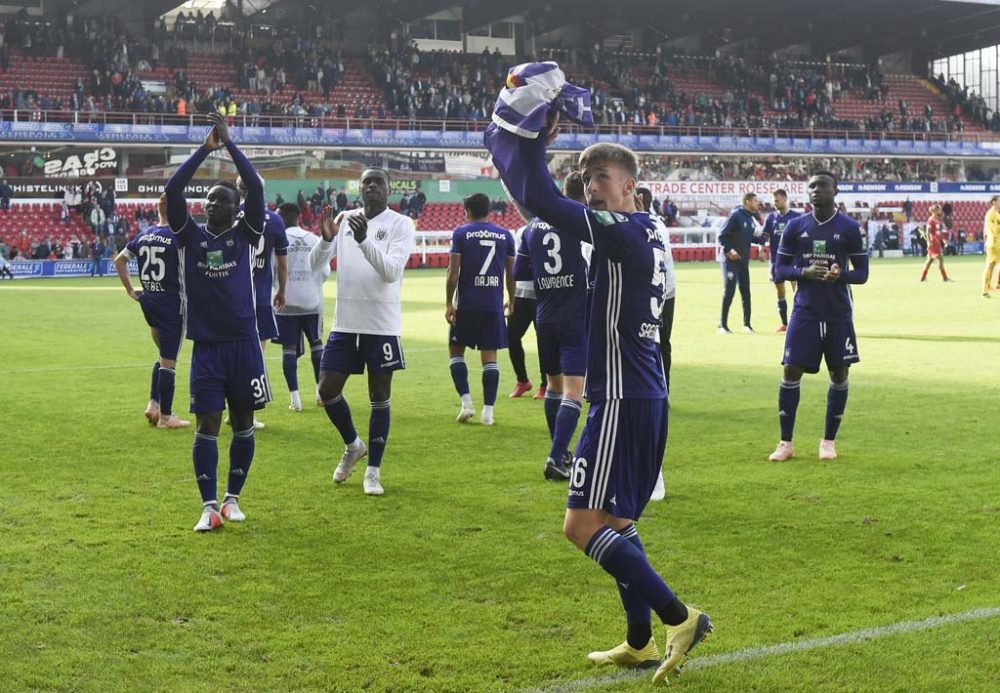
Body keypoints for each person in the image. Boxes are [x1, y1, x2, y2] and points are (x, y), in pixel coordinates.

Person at [486, 109, 711, 685]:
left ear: (630, 184)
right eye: (588, 180)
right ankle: (639, 642)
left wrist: (531, 140)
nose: (592, 188)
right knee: (617, 518)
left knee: (580, 526)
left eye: (602, 177)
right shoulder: (652, 229)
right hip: (643, 391)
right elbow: (541, 202)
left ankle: (679, 618)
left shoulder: (621, 231)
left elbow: (538, 196)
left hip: (621, 397)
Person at [165, 112, 270, 532]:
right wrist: (205, 149)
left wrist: (230, 145)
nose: (212, 204)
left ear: (235, 208)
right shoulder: (190, 237)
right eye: (208, 199)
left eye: (221, 199)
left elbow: (257, 186)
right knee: (208, 423)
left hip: (244, 343)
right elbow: (174, 189)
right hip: (207, 346)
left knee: (243, 422)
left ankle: (232, 499)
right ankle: (208, 507)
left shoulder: (246, 234)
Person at [317, 168, 415, 496]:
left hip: (382, 326)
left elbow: (390, 273)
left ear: (389, 189)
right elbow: (318, 265)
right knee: (326, 390)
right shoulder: (344, 218)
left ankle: (373, 472)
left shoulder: (401, 224)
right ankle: (353, 445)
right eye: (366, 182)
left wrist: (362, 241)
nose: (371, 186)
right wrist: (326, 239)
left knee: (379, 396)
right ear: (359, 189)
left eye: (378, 182)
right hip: (345, 323)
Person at [768, 172, 869, 463]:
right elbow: (779, 270)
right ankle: (785, 442)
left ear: (834, 191)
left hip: (838, 313)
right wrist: (803, 273)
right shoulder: (795, 227)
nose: (816, 191)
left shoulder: (849, 228)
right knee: (790, 370)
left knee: (839, 373)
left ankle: (828, 441)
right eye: (812, 186)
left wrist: (841, 275)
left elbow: (862, 274)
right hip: (805, 312)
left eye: (822, 186)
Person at [516, 172, 590, 480]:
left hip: (543, 316)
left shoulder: (530, 228)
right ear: (584, 194)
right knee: (574, 392)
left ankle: (559, 451)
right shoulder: (580, 220)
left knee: (553, 387)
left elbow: (521, 272)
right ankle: (556, 456)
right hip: (575, 315)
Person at [112, 193, 190, 430]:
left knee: (162, 355)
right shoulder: (179, 236)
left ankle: (154, 404)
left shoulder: (145, 234)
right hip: (172, 303)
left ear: (158, 210)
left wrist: (130, 290)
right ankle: (166, 417)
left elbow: (119, 260)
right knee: (169, 361)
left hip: (149, 301)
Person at [445, 192, 515, 426]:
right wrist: (512, 300)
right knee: (490, 358)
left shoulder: (462, 233)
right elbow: (510, 273)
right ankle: (488, 412)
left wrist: (448, 302)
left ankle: (466, 403)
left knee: (456, 351)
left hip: (467, 304)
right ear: (489, 210)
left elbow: (453, 273)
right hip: (493, 306)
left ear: (468, 212)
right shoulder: (506, 235)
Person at [237, 173, 288, 430]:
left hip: (230, 296)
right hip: (260, 297)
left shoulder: (229, 214)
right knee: (255, 356)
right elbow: (281, 262)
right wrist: (282, 290)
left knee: (232, 354)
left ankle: (233, 408)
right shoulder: (276, 221)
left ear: (238, 189)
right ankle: (248, 413)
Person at [273, 202, 332, 411]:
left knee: (288, 349)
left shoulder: (279, 239)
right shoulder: (314, 238)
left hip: (286, 302)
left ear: (282, 217)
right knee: (317, 345)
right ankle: (320, 393)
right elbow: (325, 271)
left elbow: (274, 270)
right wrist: (311, 283)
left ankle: (295, 399)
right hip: (311, 302)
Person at [636, 186, 674, 503]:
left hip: (642, 331)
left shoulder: (650, 228)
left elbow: (663, 278)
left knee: (648, 405)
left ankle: (654, 472)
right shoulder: (599, 226)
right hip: (604, 336)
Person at [507, 215, 545, 399]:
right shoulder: (522, 231)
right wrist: (511, 296)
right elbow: (514, 264)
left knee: (545, 341)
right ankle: (522, 381)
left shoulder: (553, 229)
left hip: (543, 296)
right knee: (511, 337)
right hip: (521, 295)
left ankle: (547, 384)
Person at [718, 192, 760, 334]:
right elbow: (721, 235)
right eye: (755, 201)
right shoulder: (736, 215)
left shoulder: (750, 218)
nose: (757, 203)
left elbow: (748, 238)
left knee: (746, 292)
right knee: (729, 291)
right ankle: (722, 326)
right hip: (730, 260)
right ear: (747, 202)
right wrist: (730, 250)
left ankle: (747, 325)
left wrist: (765, 237)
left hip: (743, 261)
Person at [761, 189, 802, 332]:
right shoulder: (770, 217)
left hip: (793, 259)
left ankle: (799, 322)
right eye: (773, 200)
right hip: (776, 261)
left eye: (777, 200)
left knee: (798, 291)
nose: (774, 203)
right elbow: (765, 236)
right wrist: (761, 248)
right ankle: (784, 324)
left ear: (785, 200)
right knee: (780, 291)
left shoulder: (796, 217)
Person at [919, 205, 953, 283]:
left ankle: (923, 277)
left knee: (929, 260)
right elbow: (928, 232)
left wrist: (943, 240)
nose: (941, 211)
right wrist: (928, 242)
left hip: (936, 241)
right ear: (935, 211)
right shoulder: (931, 220)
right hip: (933, 242)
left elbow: (938, 232)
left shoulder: (937, 220)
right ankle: (944, 278)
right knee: (940, 259)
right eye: (939, 209)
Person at [982, 195, 1000, 297]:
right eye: (999, 201)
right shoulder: (991, 214)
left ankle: (988, 286)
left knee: (992, 266)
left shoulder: (996, 213)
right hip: (994, 243)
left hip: (997, 242)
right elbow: (995, 229)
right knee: (990, 265)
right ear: (993, 202)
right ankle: (984, 289)